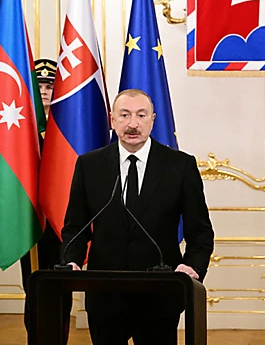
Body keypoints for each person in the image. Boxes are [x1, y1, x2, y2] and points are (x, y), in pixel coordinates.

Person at [61, 88, 214, 345]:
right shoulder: (89, 165)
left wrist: (192, 267)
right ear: (112, 120)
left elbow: (200, 231)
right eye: (125, 115)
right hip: (105, 295)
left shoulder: (180, 166)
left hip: (161, 294)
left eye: (141, 115)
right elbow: (75, 226)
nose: (133, 124)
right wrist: (71, 260)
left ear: (153, 120)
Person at [20, 58, 73, 342]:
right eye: (39, 86)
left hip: (63, 222)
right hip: (30, 221)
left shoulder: (69, 127)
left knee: (62, 289)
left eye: (49, 86)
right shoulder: (21, 130)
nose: (43, 91)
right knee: (34, 288)